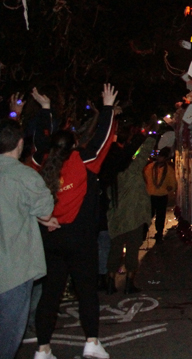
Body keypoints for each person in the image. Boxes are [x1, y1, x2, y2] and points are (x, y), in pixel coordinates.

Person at [32, 84, 118, 359]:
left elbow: (38, 140)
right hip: (81, 241)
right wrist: (107, 108)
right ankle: (92, 342)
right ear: (73, 146)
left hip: (51, 238)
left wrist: (45, 111)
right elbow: (103, 140)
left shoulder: (41, 163)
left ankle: (43, 349)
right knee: (86, 293)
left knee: (50, 296)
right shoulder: (83, 161)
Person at [0, 119, 55, 359]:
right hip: (14, 267)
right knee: (9, 335)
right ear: (20, 144)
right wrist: (45, 218)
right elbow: (45, 211)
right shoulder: (25, 176)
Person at [106, 135, 154, 294]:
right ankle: (129, 283)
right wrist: (149, 136)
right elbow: (143, 154)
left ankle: (110, 282)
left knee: (115, 249)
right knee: (132, 250)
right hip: (134, 217)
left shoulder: (108, 174)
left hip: (116, 218)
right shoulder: (132, 171)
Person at [144, 146, 176, 242]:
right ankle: (144, 232)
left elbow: (173, 183)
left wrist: (170, 187)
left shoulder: (169, 170)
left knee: (160, 216)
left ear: (165, 158)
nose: (159, 158)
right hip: (151, 195)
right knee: (148, 215)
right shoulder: (150, 167)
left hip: (162, 196)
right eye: (159, 156)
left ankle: (159, 233)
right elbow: (145, 177)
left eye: (162, 157)